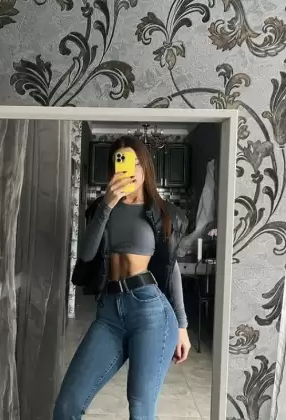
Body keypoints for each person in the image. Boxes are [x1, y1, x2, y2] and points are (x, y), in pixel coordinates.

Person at [53, 135, 191, 420]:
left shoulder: (161, 212)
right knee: (67, 405)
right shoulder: (101, 208)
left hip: (151, 310)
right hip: (109, 314)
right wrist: (107, 205)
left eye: (137, 163)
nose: (132, 170)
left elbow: (171, 268)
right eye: (124, 162)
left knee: (140, 410)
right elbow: (87, 256)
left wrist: (182, 326)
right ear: (114, 169)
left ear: (146, 168)